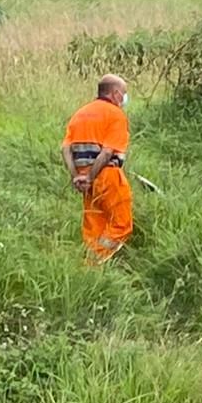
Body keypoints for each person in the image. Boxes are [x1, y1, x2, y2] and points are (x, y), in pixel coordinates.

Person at [62, 75, 132, 262]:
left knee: (94, 227)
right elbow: (107, 152)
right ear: (116, 93)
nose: (125, 98)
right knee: (121, 224)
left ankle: (91, 266)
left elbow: (66, 149)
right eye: (124, 93)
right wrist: (92, 177)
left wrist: (78, 177)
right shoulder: (116, 115)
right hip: (107, 176)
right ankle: (94, 262)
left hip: (84, 180)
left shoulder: (80, 114)